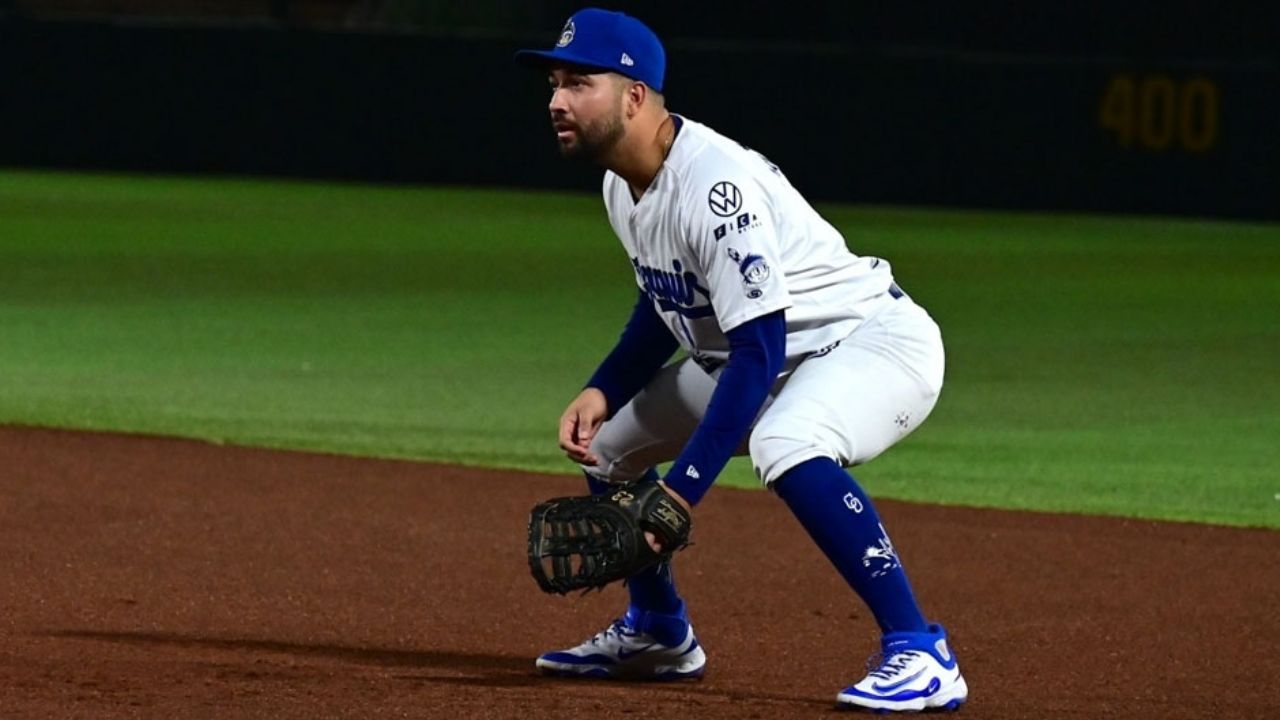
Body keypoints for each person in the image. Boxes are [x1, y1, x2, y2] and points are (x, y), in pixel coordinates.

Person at [514, 8, 967, 713]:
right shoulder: (620, 183)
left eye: (578, 82)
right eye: (554, 83)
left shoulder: (714, 189)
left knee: (787, 442)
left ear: (634, 96)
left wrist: (682, 493)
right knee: (607, 448)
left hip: (868, 342)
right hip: (762, 356)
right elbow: (668, 299)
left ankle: (920, 648)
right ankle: (659, 631)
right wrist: (606, 387)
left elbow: (758, 350)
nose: (556, 100)